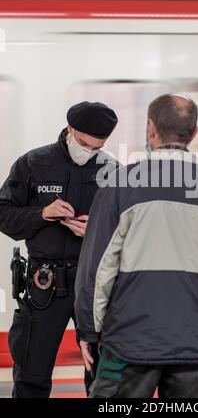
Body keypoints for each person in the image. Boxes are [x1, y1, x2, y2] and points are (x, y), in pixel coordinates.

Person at [75, 93, 198, 398]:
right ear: (193, 133)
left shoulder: (120, 186)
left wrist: (89, 329)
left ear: (150, 128)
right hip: (197, 345)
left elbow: (97, 269)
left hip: (128, 343)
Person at [0, 101, 118, 398]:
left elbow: (130, 229)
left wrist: (98, 230)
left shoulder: (113, 170)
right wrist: (41, 214)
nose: (88, 152)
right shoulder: (32, 163)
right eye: (83, 143)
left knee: (103, 377)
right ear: (69, 130)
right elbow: (4, 214)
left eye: (96, 147)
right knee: (31, 375)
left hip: (94, 286)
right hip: (45, 286)